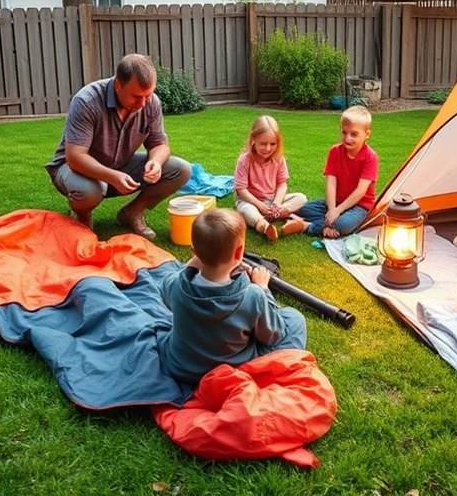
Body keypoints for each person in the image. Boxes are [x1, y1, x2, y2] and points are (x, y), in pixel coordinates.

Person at [45, 54, 191, 240]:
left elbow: (159, 144)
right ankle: (82, 215)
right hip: (74, 170)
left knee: (181, 169)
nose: (143, 103)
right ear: (117, 85)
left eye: (148, 95)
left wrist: (155, 161)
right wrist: (112, 177)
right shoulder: (86, 101)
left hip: (119, 166)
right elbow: (75, 157)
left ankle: (132, 212)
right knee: (90, 191)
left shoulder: (150, 102)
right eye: (137, 96)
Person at [159, 208, 308, 384]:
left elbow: (167, 287)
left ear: (193, 250)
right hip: (235, 370)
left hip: (184, 369)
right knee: (294, 318)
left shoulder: (175, 284)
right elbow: (272, 335)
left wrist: (197, 258)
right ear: (239, 253)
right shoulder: (253, 295)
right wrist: (263, 288)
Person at [297, 105, 379, 239]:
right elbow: (331, 184)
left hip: (359, 206)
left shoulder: (370, 157)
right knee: (305, 209)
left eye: (354, 134)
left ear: (367, 134)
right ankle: (327, 225)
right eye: (344, 132)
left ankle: (308, 227)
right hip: (335, 202)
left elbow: (360, 191)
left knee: (343, 224)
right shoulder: (334, 151)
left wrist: (338, 211)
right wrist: (332, 210)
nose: (347, 138)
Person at [234, 115, 308, 241]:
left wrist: (277, 204)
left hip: (271, 200)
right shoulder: (244, 160)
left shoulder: (278, 159)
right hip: (251, 201)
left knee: (301, 198)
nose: (268, 148)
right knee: (246, 210)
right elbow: (241, 190)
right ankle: (263, 225)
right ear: (253, 139)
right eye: (263, 144)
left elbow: (282, 184)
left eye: (272, 144)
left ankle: (278, 215)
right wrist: (259, 205)